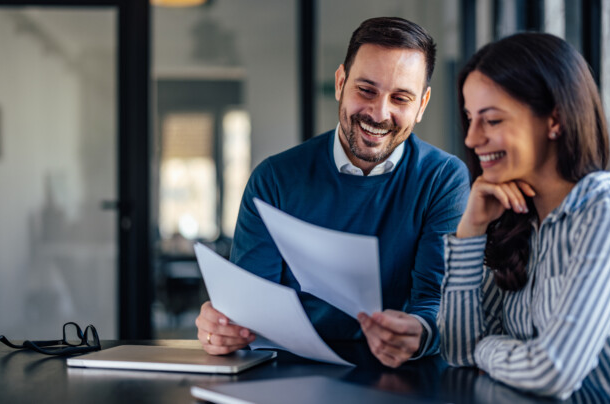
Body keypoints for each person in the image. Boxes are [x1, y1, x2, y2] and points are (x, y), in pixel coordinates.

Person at [195, 16, 469, 367]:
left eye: (400, 98)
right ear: (341, 82)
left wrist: (417, 332)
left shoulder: (443, 179)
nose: (379, 113)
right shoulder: (274, 179)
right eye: (366, 90)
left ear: (422, 105)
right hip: (291, 374)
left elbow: (436, 301)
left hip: (406, 375)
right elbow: (251, 307)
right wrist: (223, 328)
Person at [438, 32, 610, 402]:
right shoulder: (519, 224)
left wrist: (486, 348)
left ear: (555, 120)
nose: (471, 138)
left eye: (492, 120)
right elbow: (456, 349)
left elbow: (553, 370)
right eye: (470, 119)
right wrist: (472, 230)